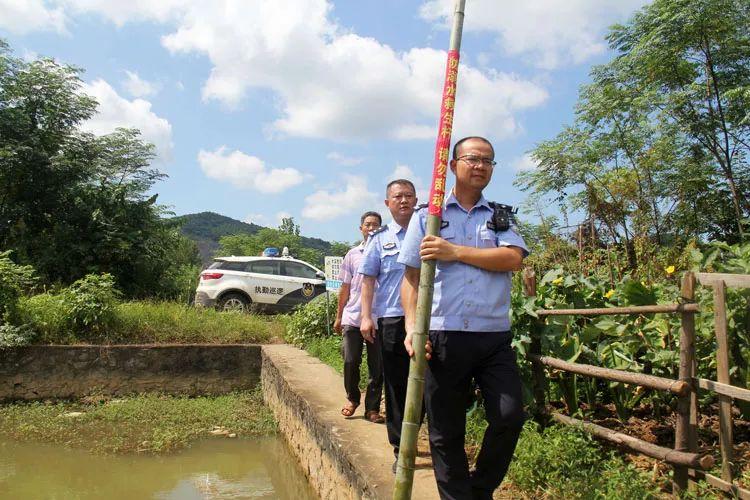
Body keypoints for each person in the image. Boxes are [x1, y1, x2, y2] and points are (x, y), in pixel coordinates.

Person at [398, 136, 528, 500]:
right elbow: (409, 279)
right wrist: (412, 328)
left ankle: (479, 489)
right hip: (442, 334)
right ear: (453, 164)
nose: (480, 166)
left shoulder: (499, 217)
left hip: (493, 337)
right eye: (472, 159)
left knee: (509, 416)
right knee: (445, 430)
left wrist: (454, 251)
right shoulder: (428, 217)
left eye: (488, 161)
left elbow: (512, 259)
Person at [358, 179, 419, 471]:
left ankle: (421, 434)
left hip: (430, 318)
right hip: (393, 319)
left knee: (431, 384)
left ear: (416, 199)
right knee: (396, 386)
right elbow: (368, 280)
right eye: (398, 196)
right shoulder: (379, 240)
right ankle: (401, 448)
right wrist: (366, 316)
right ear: (388, 203)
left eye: (409, 195)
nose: (404, 201)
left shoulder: (430, 230)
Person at [334, 211, 385, 424]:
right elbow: (345, 288)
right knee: (350, 360)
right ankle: (352, 398)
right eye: (367, 224)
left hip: (378, 317)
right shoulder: (352, 254)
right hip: (353, 317)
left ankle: (372, 408)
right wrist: (338, 316)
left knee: (377, 366)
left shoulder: (388, 252)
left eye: (375, 225)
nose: (371, 228)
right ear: (361, 228)